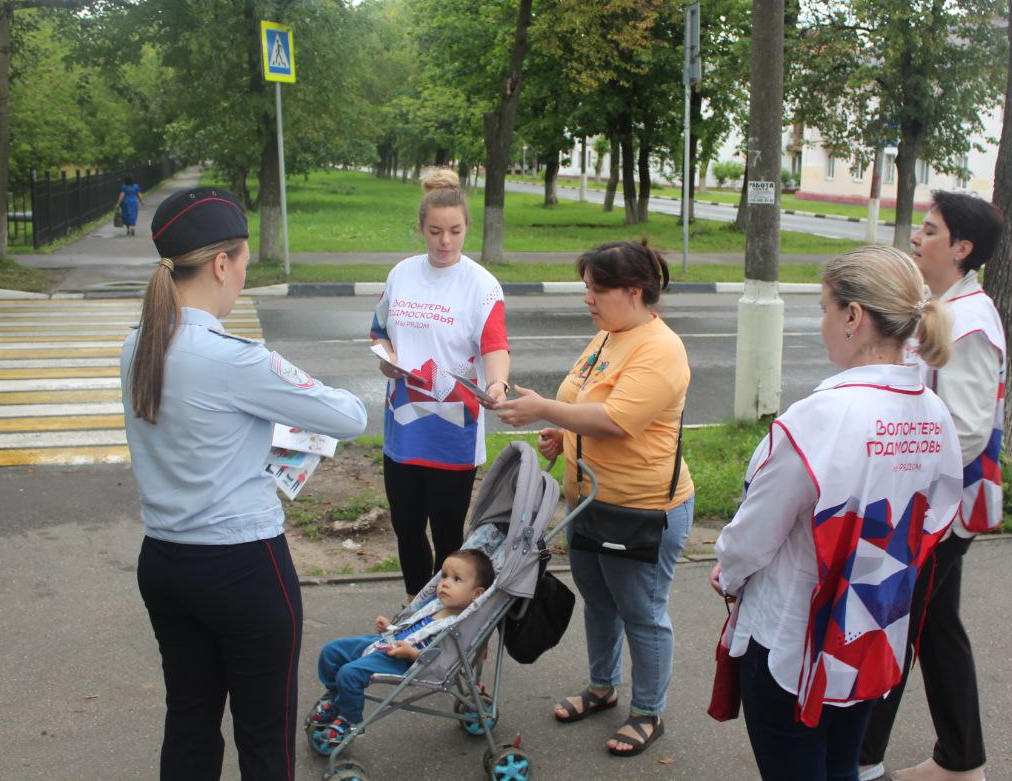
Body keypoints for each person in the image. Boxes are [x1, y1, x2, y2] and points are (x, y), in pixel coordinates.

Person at [122, 186, 367, 780]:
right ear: (220, 264)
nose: (242, 280)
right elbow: (350, 416)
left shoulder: (138, 344)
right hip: (241, 567)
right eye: (244, 266)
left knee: (189, 719)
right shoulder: (233, 357)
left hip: (165, 560)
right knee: (264, 737)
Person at [711, 245, 965, 781]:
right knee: (844, 765)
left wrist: (727, 573)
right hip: (874, 633)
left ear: (853, 316)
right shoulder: (934, 412)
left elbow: (753, 536)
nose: (822, 322)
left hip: (794, 641)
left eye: (824, 308)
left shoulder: (819, 417)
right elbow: (937, 519)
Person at [494, 239, 692, 758]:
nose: (588, 298)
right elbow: (585, 401)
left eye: (597, 289)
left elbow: (616, 419)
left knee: (642, 612)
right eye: (587, 287)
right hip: (588, 502)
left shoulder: (660, 348)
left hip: (641, 508)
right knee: (601, 603)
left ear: (635, 291)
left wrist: (546, 410)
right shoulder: (608, 335)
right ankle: (603, 687)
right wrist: (564, 435)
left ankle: (647, 712)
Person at [858, 192, 1006, 781]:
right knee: (935, 628)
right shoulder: (947, 307)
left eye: (930, 229)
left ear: (962, 248)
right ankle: (960, 763)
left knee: (896, 626)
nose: (917, 238)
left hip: (938, 512)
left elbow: (967, 430)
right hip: (933, 506)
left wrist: (908, 483)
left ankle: (863, 760)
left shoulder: (968, 321)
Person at [369, 168, 510, 601]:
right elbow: (380, 331)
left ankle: (446, 613)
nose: (445, 241)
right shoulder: (402, 274)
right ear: (421, 229)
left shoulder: (481, 285)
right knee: (406, 526)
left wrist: (499, 384)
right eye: (435, 232)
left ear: (467, 227)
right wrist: (388, 359)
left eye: (454, 231)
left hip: (453, 429)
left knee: (448, 533)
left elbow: (495, 346)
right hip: (403, 424)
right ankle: (415, 606)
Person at [303, 548, 496, 754]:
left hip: (405, 661)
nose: (445, 583)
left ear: (476, 594)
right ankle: (337, 698)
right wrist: (390, 628)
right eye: (444, 576)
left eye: (456, 579)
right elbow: (412, 628)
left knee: (349, 673)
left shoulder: (459, 626)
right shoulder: (437, 605)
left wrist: (412, 654)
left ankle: (350, 720)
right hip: (389, 642)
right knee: (331, 651)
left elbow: (440, 662)